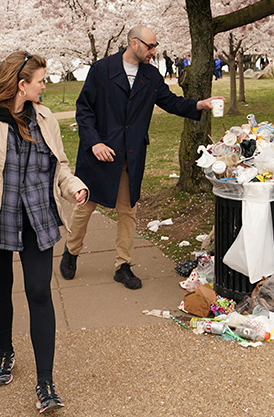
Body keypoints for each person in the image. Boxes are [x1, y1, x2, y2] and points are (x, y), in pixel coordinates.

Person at [0, 51, 87, 412]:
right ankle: (5, 352)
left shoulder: (45, 118)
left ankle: (46, 382)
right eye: (40, 80)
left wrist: (74, 187)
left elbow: (60, 166)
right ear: (21, 84)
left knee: (40, 292)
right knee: (1, 287)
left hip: (38, 218)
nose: (45, 85)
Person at [60, 25, 221, 290]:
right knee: (85, 207)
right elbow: (84, 110)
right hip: (99, 154)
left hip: (131, 155)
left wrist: (199, 105)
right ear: (134, 44)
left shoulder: (152, 76)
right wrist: (95, 143)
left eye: (155, 46)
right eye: (150, 46)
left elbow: (170, 102)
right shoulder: (102, 70)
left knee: (128, 210)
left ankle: (123, 266)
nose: (154, 51)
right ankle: (71, 251)